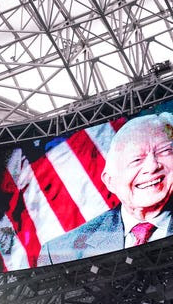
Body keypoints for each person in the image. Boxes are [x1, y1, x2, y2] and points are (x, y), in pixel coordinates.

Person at [37, 113, 173, 266]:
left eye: (164, 151)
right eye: (136, 160)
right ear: (110, 181)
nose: (152, 166)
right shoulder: (57, 253)